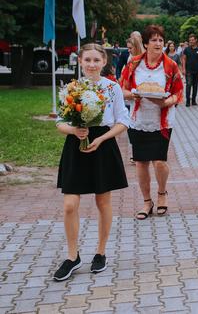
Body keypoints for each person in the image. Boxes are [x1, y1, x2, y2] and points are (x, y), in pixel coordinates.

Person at [53, 43, 129, 281]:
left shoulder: (112, 88)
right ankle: (72, 256)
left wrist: (103, 138)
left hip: (103, 144)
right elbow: (60, 122)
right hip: (76, 144)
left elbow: (123, 121)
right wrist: (74, 130)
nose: (92, 64)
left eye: (97, 60)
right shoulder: (72, 88)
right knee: (69, 204)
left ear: (104, 62)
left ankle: (101, 252)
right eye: (87, 60)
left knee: (103, 201)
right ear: (80, 62)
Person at [120, 25, 184, 220]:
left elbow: (178, 92)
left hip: (161, 121)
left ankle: (162, 193)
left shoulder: (170, 65)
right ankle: (147, 202)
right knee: (141, 163)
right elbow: (122, 88)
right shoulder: (133, 64)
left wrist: (166, 102)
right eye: (154, 40)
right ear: (146, 44)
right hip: (138, 120)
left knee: (159, 161)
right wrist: (132, 95)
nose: (158, 43)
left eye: (161, 40)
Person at [181, 33, 198, 107]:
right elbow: (184, 59)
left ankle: (193, 100)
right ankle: (188, 101)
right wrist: (183, 69)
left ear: (196, 40)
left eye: (192, 40)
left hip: (197, 71)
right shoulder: (186, 50)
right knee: (188, 85)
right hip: (188, 70)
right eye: (190, 40)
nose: (191, 41)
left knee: (195, 85)